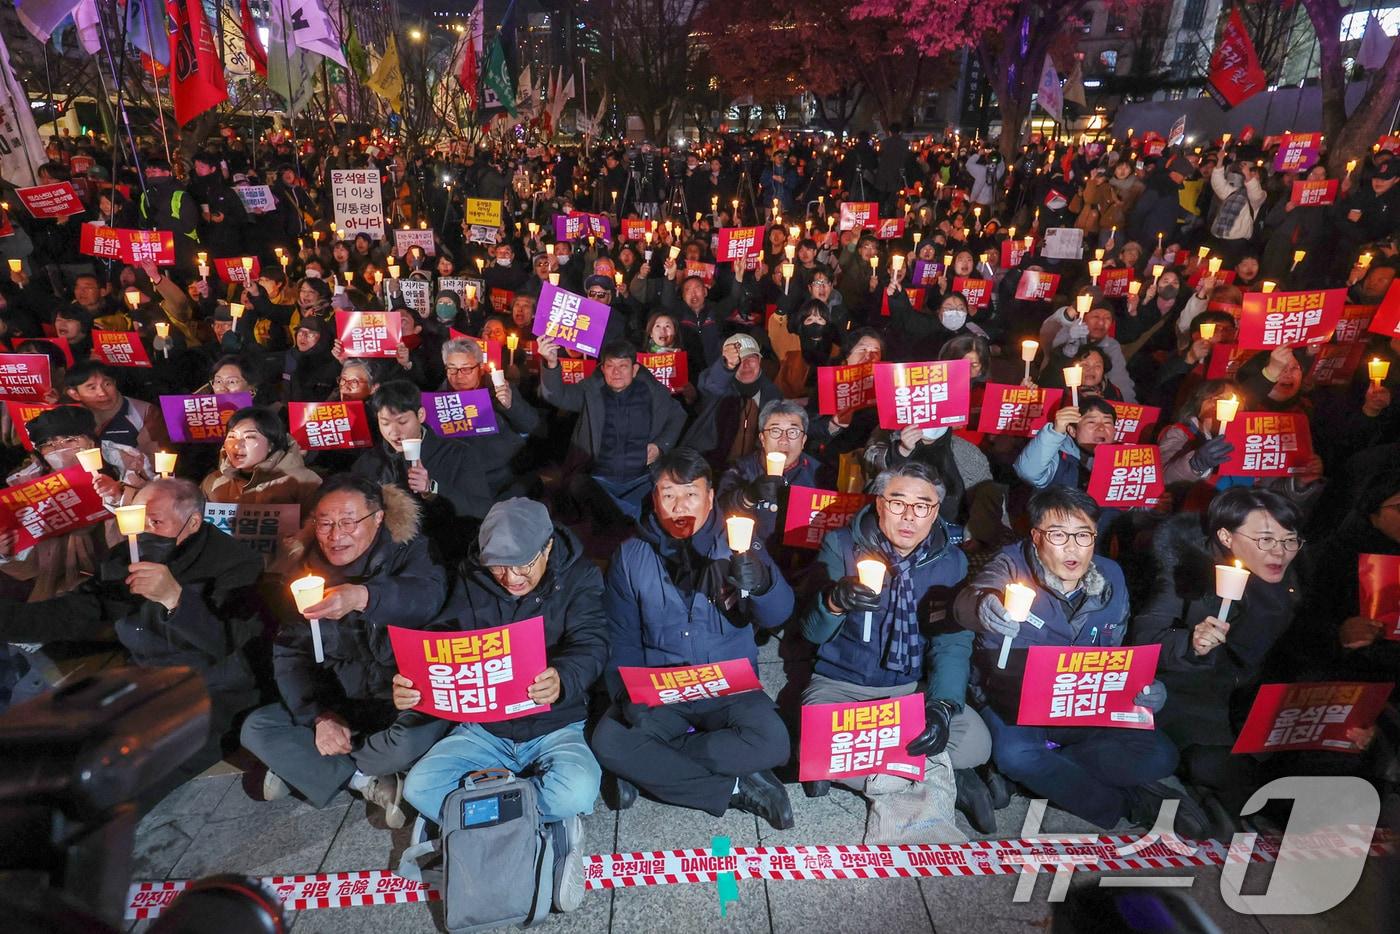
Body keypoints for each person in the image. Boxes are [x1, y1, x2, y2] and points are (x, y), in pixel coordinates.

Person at [954, 486, 1205, 835]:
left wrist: (1144, 692)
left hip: (1080, 702)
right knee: (1019, 755)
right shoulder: (1010, 565)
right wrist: (984, 607)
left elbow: (1117, 656)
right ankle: (1129, 803)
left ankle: (1035, 777)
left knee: (1161, 755)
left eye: (1083, 535)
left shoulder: (1111, 577)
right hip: (1012, 702)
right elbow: (971, 599)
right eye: (1058, 535)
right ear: (1037, 537)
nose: (1072, 547)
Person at [398, 499, 608, 914]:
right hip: (485, 730)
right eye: (498, 566)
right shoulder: (472, 577)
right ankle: (541, 831)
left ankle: (474, 817)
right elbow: (444, 639)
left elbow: (593, 642)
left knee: (578, 789)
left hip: (554, 725)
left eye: (522, 565)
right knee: (419, 787)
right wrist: (417, 683)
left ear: (547, 548)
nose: (510, 578)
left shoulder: (580, 576)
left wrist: (563, 677)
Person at [0, 479, 264, 805]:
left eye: (157, 522)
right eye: (139, 521)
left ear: (193, 522)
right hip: (144, 682)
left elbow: (232, 643)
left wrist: (176, 600)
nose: (144, 532)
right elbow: (76, 610)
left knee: (124, 780)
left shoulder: (235, 562)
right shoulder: (126, 556)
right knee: (53, 755)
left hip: (211, 692)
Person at [590, 448, 796, 828]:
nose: (679, 505)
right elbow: (620, 636)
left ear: (711, 496)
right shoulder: (631, 555)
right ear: (655, 499)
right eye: (668, 494)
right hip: (662, 687)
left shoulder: (738, 543)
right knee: (608, 741)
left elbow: (779, 613)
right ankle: (735, 787)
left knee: (774, 742)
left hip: (727, 683)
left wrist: (762, 584)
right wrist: (624, 694)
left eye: (691, 493)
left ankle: (648, 767)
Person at [240, 475, 454, 828]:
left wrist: (363, 597)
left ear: (378, 518)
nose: (335, 535)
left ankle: (314, 767)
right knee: (257, 728)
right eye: (324, 524)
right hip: (343, 707)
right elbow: (291, 655)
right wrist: (319, 716)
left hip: (403, 703)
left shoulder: (414, 552)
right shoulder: (304, 575)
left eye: (348, 522)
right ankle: (366, 780)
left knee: (405, 742)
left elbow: (426, 599)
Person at [801, 462, 998, 838]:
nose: (909, 516)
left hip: (909, 691)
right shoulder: (841, 544)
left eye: (922, 506)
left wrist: (940, 706)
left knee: (976, 741)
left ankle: (861, 769)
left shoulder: (951, 560)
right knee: (814, 741)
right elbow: (811, 633)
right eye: (897, 503)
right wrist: (834, 602)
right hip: (841, 686)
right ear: (878, 504)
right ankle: (944, 777)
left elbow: (951, 641)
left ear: (936, 511)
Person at [1130, 489, 1306, 827]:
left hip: (1254, 696)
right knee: (1216, 764)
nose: (1280, 553)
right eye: (1266, 540)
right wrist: (1190, 644)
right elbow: (1145, 641)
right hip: (1191, 694)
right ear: (1226, 535)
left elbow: (1304, 647)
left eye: (1290, 540)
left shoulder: (1290, 582)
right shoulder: (1186, 576)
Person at [537, 336, 686, 530]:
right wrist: (551, 363)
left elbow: (678, 415)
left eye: (623, 366)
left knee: (667, 492)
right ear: (602, 369)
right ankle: (623, 524)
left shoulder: (653, 392)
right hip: (599, 479)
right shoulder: (591, 390)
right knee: (577, 486)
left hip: (641, 479)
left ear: (635, 369)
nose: (616, 372)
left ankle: (621, 522)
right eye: (610, 366)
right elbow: (556, 395)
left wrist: (661, 446)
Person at [352, 379, 494, 562]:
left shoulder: (458, 453)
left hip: (442, 554)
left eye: (402, 421)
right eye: (385, 423)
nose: (394, 432)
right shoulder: (369, 462)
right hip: (384, 557)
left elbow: (481, 510)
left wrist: (432, 490)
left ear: (420, 415)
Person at [685, 333, 782, 469]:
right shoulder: (716, 384)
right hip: (709, 465)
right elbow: (711, 385)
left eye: (751, 358)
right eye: (738, 361)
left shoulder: (772, 392)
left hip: (752, 470)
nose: (745, 364)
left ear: (760, 360)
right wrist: (727, 366)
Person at [201, 406, 322, 511]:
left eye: (249, 437)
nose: (237, 444)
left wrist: (301, 536)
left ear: (271, 445)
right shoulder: (212, 482)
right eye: (232, 436)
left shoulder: (305, 482)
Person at [63, 359, 169, 457]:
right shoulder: (69, 417)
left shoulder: (145, 412)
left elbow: (155, 460)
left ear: (115, 383)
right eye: (92, 388)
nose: (102, 393)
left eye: (107, 384)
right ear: (74, 394)